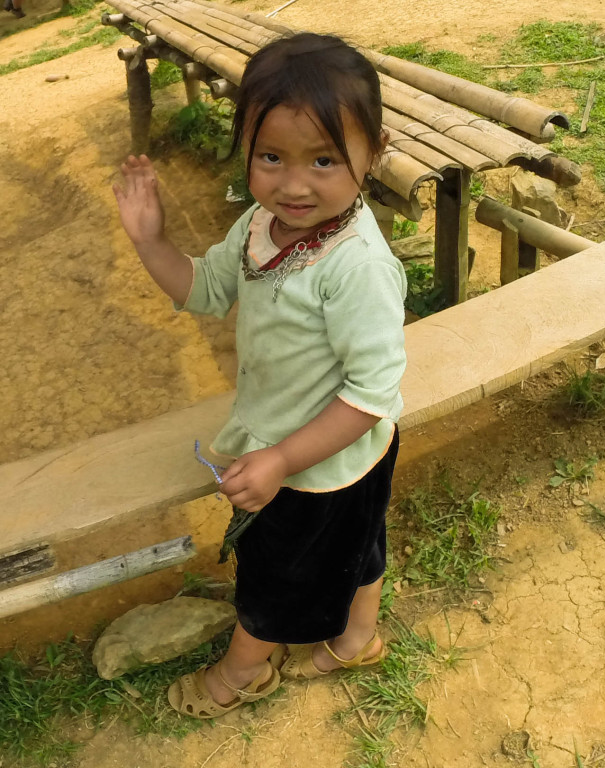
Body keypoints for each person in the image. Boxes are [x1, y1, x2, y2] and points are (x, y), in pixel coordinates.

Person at [113, 33, 407, 719]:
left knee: (275, 579)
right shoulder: (260, 224)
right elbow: (204, 291)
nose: (293, 183)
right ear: (245, 144)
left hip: (317, 465)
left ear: (376, 150)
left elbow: (369, 396)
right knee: (359, 546)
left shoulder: (356, 267)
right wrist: (152, 241)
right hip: (327, 455)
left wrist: (277, 459)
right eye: (270, 156)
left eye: (325, 159)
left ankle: (242, 674)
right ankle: (357, 638)